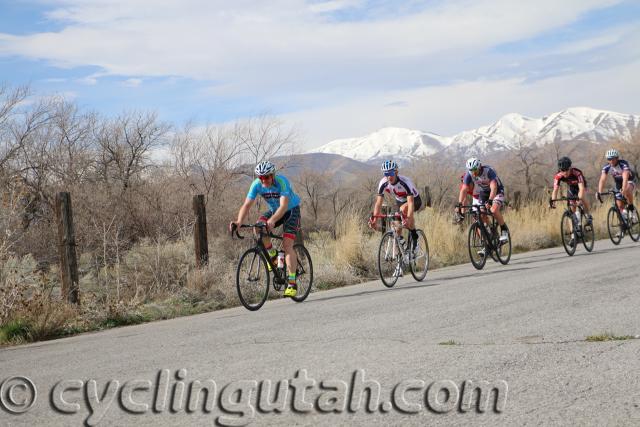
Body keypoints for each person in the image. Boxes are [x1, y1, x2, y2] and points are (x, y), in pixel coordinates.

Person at [230, 161, 302, 297]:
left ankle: (292, 282)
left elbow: (283, 206)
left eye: (267, 177)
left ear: (273, 175)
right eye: (260, 177)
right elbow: (246, 205)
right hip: (274, 210)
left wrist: (272, 221)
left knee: (287, 245)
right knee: (258, 227)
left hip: (290, 210)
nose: (264, 180)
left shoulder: (282, 182)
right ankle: (273, 255)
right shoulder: (256, 185)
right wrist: (239, 222)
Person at [369, 160, 423, 274]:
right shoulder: (383, 182)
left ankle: (415, 239)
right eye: (386, 174)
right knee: (396, 228)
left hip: (414, 200)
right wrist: (375, 219)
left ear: (396, 172)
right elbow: (378, 203)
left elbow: (411, 202)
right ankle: (400, 264)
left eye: (391, 173)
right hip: (400, 201)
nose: (389, 177)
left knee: (404, 210)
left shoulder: (405, 182)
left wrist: (408, 218)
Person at [456, 157, 509, 246]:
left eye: (475, 170)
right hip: (484, 192)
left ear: (479, 166)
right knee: (480, 214)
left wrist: (491, 200)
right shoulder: (469, 174)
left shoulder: (488, 171)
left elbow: (494, 187)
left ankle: (504, 230)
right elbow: (464, 190)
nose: (474, 173)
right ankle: (491, 231)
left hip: (497, 191)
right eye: (471, 171)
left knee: (493, 210)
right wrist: (459, 204)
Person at [549, 156, 593, 226]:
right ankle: (574, 234)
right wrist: (553, 201)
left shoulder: (577, 173)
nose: (565, 172)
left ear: (570, 168)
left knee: (583, 199)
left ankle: (588, 215)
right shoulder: (558, 176)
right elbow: (555, 190)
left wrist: (579, 199)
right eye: (562, 170)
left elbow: (581, 189)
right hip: (572, 187)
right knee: (572, 208)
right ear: (560, 170)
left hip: (581, 186)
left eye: (567, 170)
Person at [596, 148, 637, 222]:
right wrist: (599, 192)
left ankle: (632, 209)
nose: (611, 161)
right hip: (618, 183)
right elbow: (602, 179)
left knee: (627, 190)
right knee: (619, 205)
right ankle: (623, 226)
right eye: (609, 159)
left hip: (629, 180)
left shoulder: (623, 164)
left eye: (613, 159)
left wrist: (623, 189)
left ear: (617, 158)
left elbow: (625, 178)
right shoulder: (607, 166)